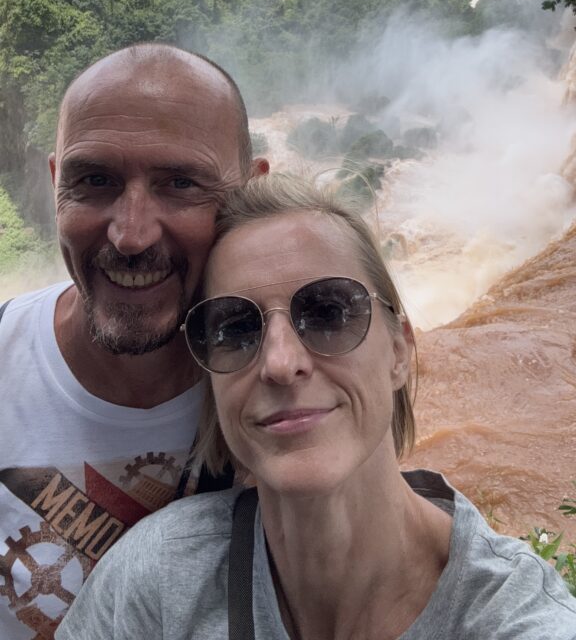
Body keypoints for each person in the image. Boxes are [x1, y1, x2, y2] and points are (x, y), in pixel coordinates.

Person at [56, 174, 576, 640]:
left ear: (400, 351)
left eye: (329, 311)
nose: (281, 363)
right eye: (236, 327)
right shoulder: (158, 585)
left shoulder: (511, 617)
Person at [0, 43, 268, 640]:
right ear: (54, 183)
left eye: (180, 183)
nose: (130, 234)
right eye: (94, 180)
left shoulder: (297, 390)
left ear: (253, 192)